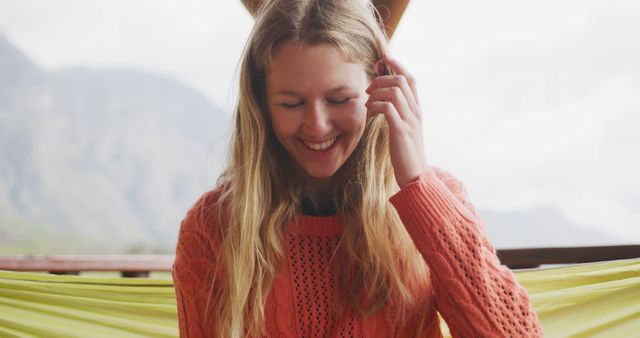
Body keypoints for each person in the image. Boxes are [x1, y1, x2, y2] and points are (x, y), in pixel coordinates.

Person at [172, 0, 543, 337]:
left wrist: (417, 183)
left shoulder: (438, 200)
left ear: (382, 88)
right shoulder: (212, 227)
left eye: (339, 99)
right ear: (262, 107)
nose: (317, 125)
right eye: (291, 103)